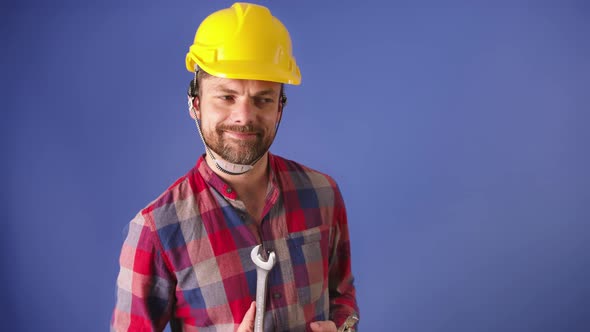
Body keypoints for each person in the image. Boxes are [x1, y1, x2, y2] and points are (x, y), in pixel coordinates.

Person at [111, 3, 358, 331]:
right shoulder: (156, 231)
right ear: (195, 104)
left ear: (280, 108)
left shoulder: (323, 195)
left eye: (263, 99)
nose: (244, 117)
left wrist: (342, 328)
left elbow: (342, 296)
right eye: (226, 97)